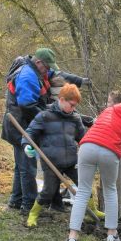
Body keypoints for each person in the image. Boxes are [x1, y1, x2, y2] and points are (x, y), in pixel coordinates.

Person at [1, 48, 89, 214]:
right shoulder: (28, 76)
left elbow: (58, 74)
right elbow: (27, 106)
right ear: (39, 62)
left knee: (21, 165)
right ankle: (27, 206)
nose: (48, 71)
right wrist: (50, 119)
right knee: (28, 167)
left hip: (21, 123)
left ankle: (16, 199)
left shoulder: (38, 70)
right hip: (20, 125)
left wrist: (79, 81)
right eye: (47, 67)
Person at [64, 95, 121, 241]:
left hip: (87, 146)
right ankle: (111, 235)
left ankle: (72, 238)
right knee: (110, 191)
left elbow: (97, 127)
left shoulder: (110, 109)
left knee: (82, 192)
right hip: (110, 151)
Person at [23, 84, 86, 226]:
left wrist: (88, 147)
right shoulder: (45, 116)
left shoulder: (75, 118)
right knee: (48, 191)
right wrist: (27, 145)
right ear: (62, 100)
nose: (74, 108)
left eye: (75, 106)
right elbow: (30, 133)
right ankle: (33, 214)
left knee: (84, 184)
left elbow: (84, 138)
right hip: (50, 161)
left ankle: (91, 211)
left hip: (71, 160)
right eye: (72, 105)